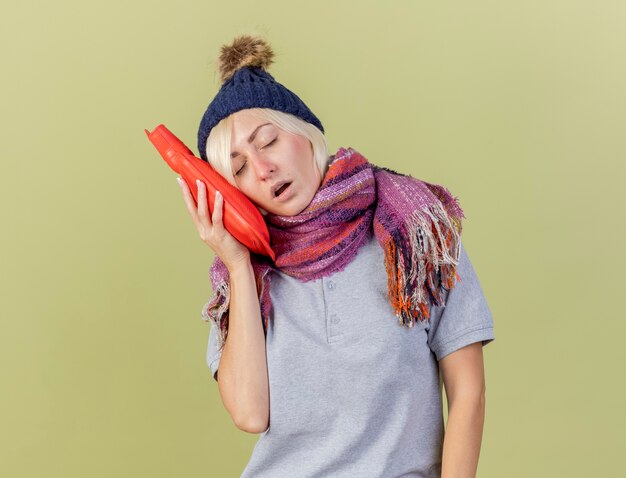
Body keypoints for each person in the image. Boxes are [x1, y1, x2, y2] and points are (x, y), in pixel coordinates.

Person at [176, 34, 495, 478]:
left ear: (305, 135)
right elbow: (250, 414)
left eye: (267, 141)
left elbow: (468, 392)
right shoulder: (244, 280)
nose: (262, 168)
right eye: (240, 168)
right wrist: (236, 263)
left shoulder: (416, 231)